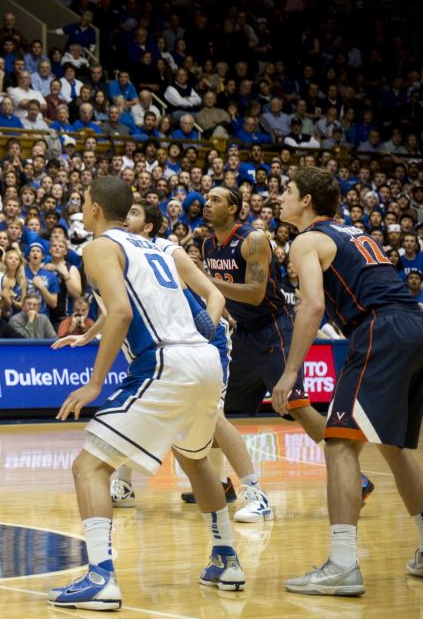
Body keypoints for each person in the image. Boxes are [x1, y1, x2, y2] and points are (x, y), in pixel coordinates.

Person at [47, 176, 242, 610]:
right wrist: (89, 336)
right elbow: (149, 301)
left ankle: (100, 576)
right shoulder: (159, 247)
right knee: (196, 461)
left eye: (82, 200)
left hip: (164, 362)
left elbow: (121, 310)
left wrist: (96, 383)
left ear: (95, 208)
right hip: (205, 359)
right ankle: (226, 557)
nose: (81, 207)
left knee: (89, 467)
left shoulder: (98, 247)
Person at [274, 167, 423, 596]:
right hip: (413, 324)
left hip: (380, 330)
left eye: (288, 190)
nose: (281, 196)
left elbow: (313, 305)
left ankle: (342, 565)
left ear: (307, 201)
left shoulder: (307, 240)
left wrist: (290, 373)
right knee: (394, 448)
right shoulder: (352, 231)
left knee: (339, 442)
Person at [200, 186, 373, 504]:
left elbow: (254, 292)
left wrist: (205, 280)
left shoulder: (252, 239)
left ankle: (356, 477)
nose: (206, 203)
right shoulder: (208, 244)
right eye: (206, 199)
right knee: (216, 412)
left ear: (235, 209)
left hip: (273, 328)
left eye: (215, 200)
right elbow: (224, 294)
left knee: (298, 406)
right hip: (244, 334)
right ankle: (222, 483)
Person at [110, 201, 274, 525]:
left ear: (148, 228)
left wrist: (206, 330)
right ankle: (124, 485)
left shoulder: (168, 251)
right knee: (138, 405)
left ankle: (256, 494)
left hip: (201, 339)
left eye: (133, 213)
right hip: (166, 344)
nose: (124, 218)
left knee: (214, 418)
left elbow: (213, 296)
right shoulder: (120, 254)